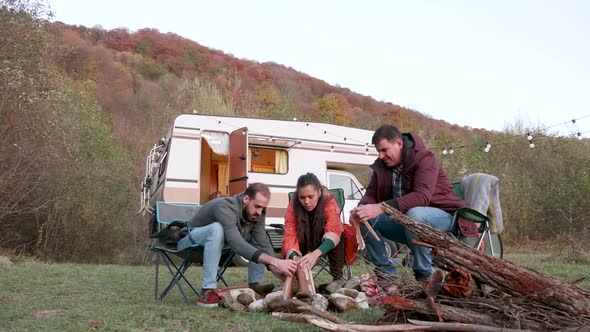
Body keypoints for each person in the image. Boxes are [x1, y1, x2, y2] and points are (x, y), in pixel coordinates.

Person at [350, 125, 468, 284]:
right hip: (407, 221)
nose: (381, 156)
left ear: (399, 144)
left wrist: (380, 207)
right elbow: (371, 193)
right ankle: (387, 277)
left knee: (415, 214)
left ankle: (424, 276)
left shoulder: (425, 159)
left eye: (384, 150)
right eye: (378, 151)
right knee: (366, 218)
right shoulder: (382, 165)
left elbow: (421, 197)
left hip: (444, 217)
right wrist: (361, 209)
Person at [177, 183, 298, 307]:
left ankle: (255, 287)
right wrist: (275, 261)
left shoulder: (257, 213)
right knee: (217, 229)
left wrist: (274, 268)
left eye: (263, 208)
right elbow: (237, 244)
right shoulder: (225, 207)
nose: (259, 211)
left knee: (255, 237)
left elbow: (262, 243)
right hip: (190, 243)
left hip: (219, 247)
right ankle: (207, 291)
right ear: (246, 199)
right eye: (257, 206)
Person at [282, 173, 346, 281]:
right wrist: (294, 256)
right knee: (293, 241)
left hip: (323, 238)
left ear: (319, 192)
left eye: (311, 197)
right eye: (302, 197)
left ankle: (337, 279)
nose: (306, 202)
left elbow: (334, 230)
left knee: (340, 234)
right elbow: (290, 233)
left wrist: (315, 254)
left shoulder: (328, 201)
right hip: (303, 238)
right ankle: (298, 279)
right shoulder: (293, 205)